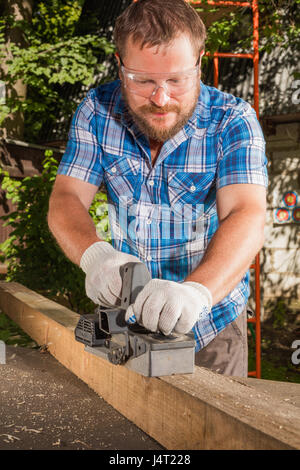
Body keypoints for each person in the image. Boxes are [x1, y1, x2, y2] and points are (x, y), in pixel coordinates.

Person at [48, 0, 268, 377]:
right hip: (128, 322)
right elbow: (66, 199)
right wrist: (94, 255)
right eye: (144, 81)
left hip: (211, 324)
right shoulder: (97, 111)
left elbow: (246, 214)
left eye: (176, 80)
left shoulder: (233, 120)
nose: (161, 98)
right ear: (120, 64)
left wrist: (196, 292)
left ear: (199, 61)